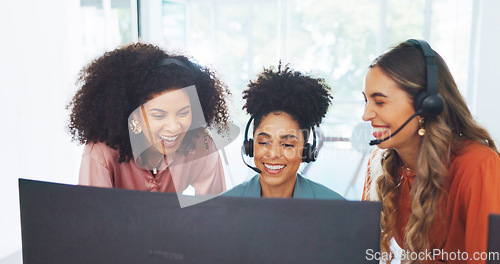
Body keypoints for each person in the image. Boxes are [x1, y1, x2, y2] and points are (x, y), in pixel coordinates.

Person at [361, 39, 500, 263]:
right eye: (366, 101)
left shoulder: (477, 164)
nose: (366, 115)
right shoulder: (379, 163)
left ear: (426, 105)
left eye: (380, 102)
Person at [67, 42, 232, 195]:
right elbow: (93, 220)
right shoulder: (101, 153)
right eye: (159, 115)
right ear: (135, 116)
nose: (174, 127)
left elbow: (215, 215)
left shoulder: (201, 146)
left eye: (183, 113)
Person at [223, 64, 344, 199]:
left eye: (287, 144)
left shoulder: (336, 209)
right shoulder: (221, 207)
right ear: (250, 146)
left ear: (305, 151)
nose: (274, 154)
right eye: (264, 142)